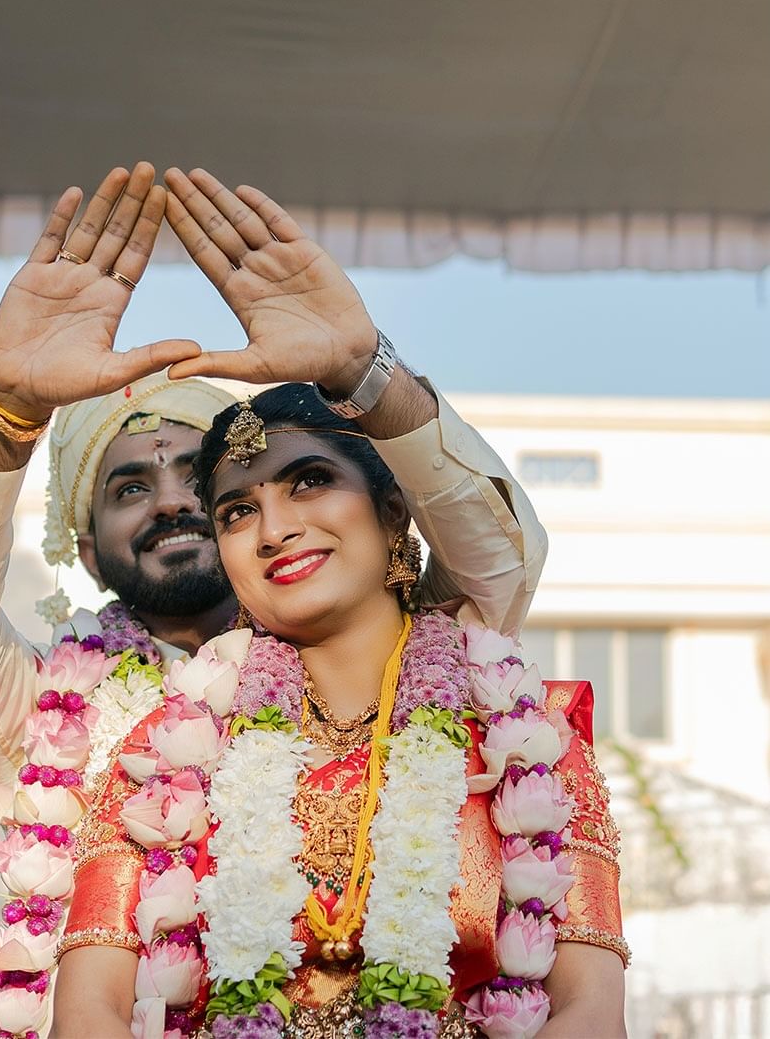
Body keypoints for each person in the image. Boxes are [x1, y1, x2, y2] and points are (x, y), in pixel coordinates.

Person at [0, 163, 549, 806]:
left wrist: (362, 372)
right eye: (130, 490)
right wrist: (8, 415)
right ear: (86, 551)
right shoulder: (54, 717)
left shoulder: (396, 655)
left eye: (209, 496)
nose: (173, 503)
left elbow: (495, 557)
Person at [50, 381, 629, 1039]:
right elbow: (88, 1016)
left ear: (390, 512)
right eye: (238, 512)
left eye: (309, 481)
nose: (273, 530)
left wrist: (365, 368)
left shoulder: (523, 738)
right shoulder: (165, 754)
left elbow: (590, 1013)